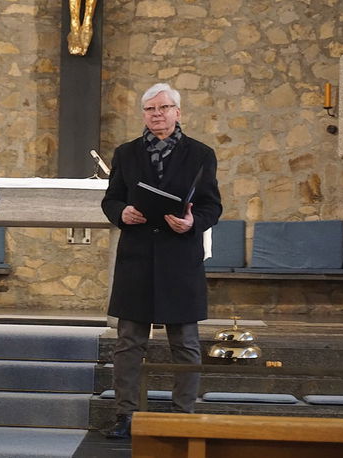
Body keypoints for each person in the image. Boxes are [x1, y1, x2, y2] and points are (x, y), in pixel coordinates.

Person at [101, 83, 222, 439]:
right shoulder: (126, 153)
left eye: (164, 107)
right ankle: (126, 415)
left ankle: (183, 415)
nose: (157, 114)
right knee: (128, 344)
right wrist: (122, 212)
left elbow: (211, 205)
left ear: (177, 112)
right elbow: (111, 200)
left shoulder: (200, 154)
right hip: (137, 258)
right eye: (151, 109)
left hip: (179, 259)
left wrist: (191, 223)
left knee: (184, 344)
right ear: (144, 114)